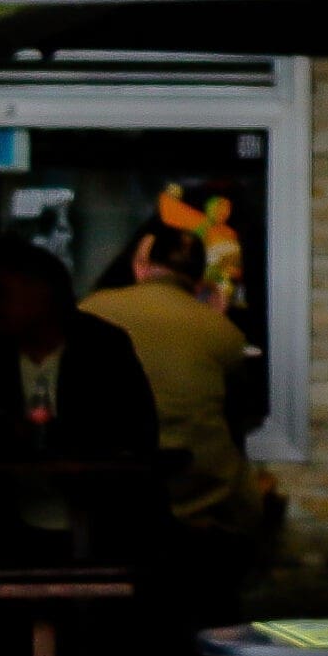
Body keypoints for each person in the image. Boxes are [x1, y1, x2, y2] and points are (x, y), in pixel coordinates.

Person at [0, 239, 161, 557]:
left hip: (104, 524)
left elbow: (136, 431)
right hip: (5, 528)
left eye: (2, 294)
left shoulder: (102, 348)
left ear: (42, 294)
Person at [83, 224, 259, 536]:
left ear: (141, 266)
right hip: (199, 499)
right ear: (199, 276)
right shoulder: (222, 331)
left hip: (109, 493)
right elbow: (240, 412)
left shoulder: (90, 309)